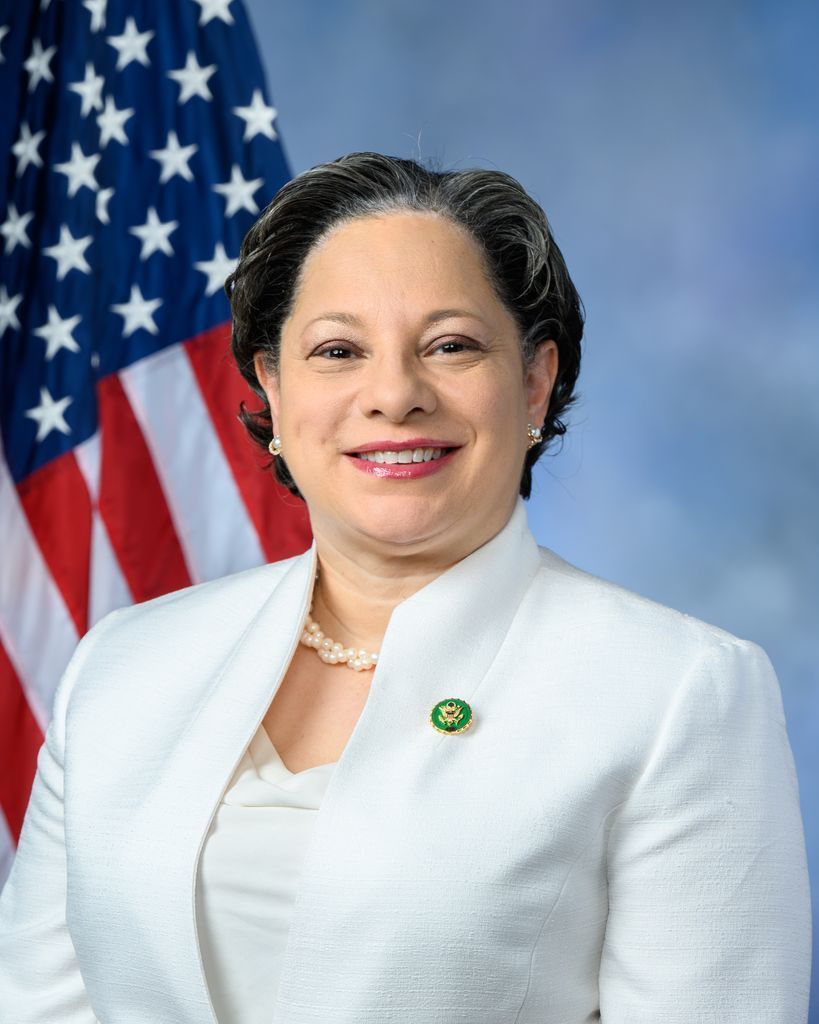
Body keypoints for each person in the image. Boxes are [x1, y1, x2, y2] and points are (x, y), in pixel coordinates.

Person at [0, 151, 811, 1023]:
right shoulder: (127, 663)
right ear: (272, 387)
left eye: (450, 346)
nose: (393, 394)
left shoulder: (677, 693)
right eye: (337, 350)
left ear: (534, 381)